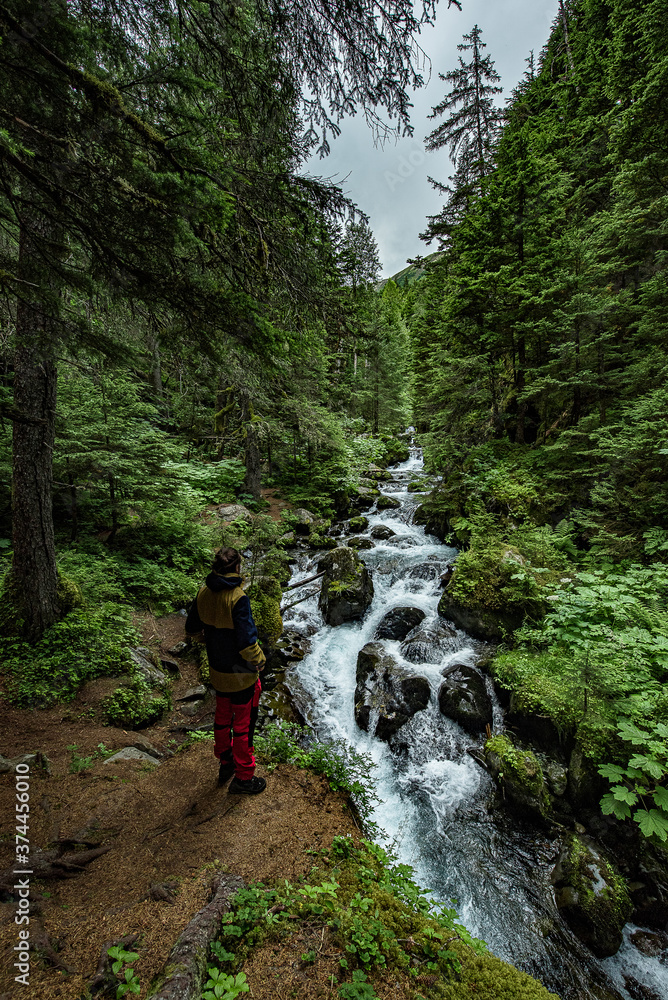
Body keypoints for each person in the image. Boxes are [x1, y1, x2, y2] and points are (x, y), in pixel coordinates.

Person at [185, 547, 267, 794]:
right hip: (240, 674)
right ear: (237, 568)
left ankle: (226, 762)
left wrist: (207, 640)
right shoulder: (238, 598)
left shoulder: (203, 592)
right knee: (243, 725)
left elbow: (191, 629)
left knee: (222, 717)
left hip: (217, 669)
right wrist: (260, 661)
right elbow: (247, 644)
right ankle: (244, 778)